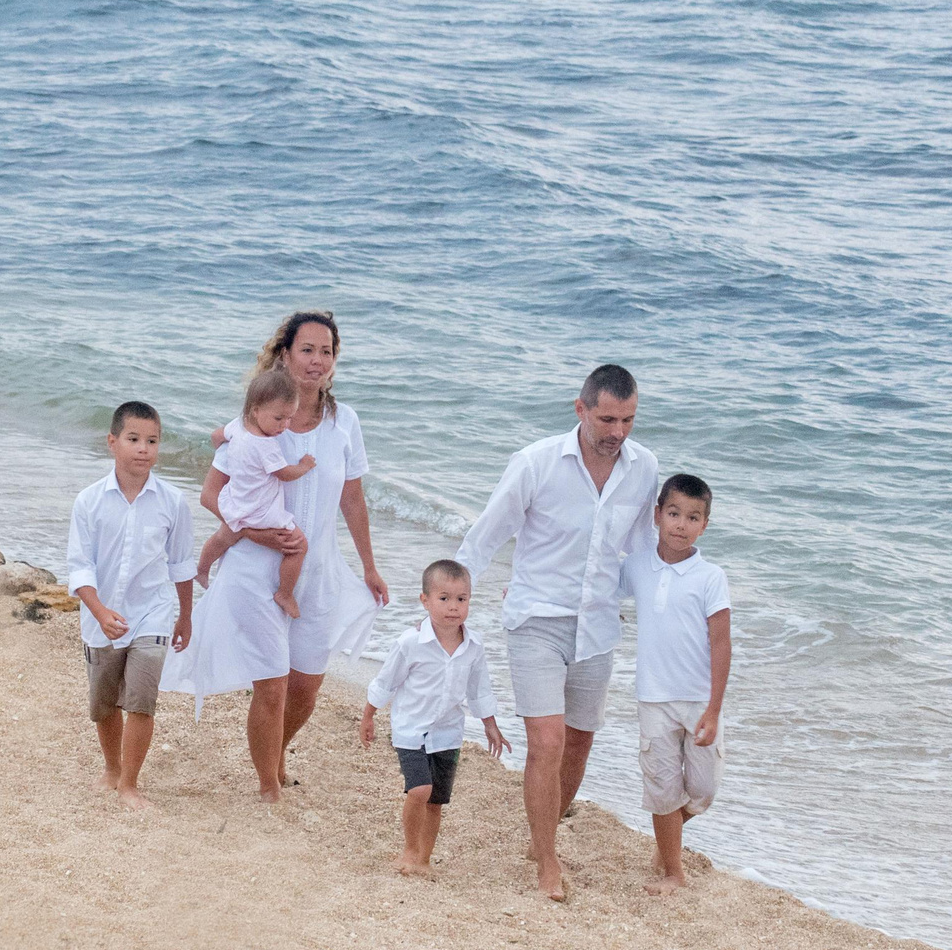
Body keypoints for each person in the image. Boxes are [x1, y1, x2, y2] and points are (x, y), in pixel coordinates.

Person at [458, 363, 659, 901]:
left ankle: (540, 834)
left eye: (629, 420)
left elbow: (640, 551)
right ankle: (547, 858)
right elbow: (486, 535)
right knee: (546, 743)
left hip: (598, 625)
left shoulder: (644, 469)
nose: (617, 432)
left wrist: (670, 613)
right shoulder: (535, 462)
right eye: (608, 418)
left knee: (578, 745)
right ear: (581, 408)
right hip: (536, 620)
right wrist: (447, 602)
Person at [188, 309, 393, 799]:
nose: (317, 361)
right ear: (285, 354)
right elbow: (211, 494)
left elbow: (352, 498)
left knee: (305, 689)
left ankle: (275, 754)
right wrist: (256, 533)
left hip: (316, 571)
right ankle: (267, 786)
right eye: (308, 349)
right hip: (255, 570)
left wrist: (368, 565)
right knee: (272, 685)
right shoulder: (254, 423)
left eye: (327, 352)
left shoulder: (344, 423)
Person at [64, 400, 196, 809]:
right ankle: (111, 768)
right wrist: (100, 613)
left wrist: (185, 617)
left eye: (152, 441)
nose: (144, 449)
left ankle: (130, 785)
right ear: (112, 442)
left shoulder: (173, 502)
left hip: (152, 613)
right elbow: (79, 567)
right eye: (134, 439)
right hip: (99, 616)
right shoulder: (88, 501)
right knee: (104, 703)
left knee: (142, 697)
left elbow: (181, 564)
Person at [360, 561, 509, 876]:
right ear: (424, 600)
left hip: (447, 733)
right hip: (410, 729)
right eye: (444, 598)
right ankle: (409, 850)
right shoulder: (410, 643)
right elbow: (387, 681)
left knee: (436, 801)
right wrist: (368, 716)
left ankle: (424, 859)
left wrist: (490, 726)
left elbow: (479, 689)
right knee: (419, 790)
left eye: (461, 599)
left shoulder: (474, 646)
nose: (453, 607)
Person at [621, 473, 730, 891]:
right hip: (653, 698)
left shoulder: (710, 576)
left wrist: (715, 708)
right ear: (656, 515)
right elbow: (595, 589)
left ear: (705, 524)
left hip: (699, 699)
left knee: (702, 790)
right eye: (673, 514)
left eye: (692, 517)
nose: (681, 524)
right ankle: (673, 871)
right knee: (664, 789)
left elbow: (721, 643)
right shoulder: (637, 565)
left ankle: (669, 839)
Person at [195, 367, 319, 619]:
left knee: (222, 538)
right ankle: (285, 593)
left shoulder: (238, 426)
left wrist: (226, 449)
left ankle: (201, 568)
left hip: (236, 502)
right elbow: (284, 474)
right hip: (261, 511)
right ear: (256, 410)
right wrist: (303, 466)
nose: (284, 425)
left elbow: (216, 435)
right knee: (298, 546)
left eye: (289, 419)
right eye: (279, 419)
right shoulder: (266, 445)